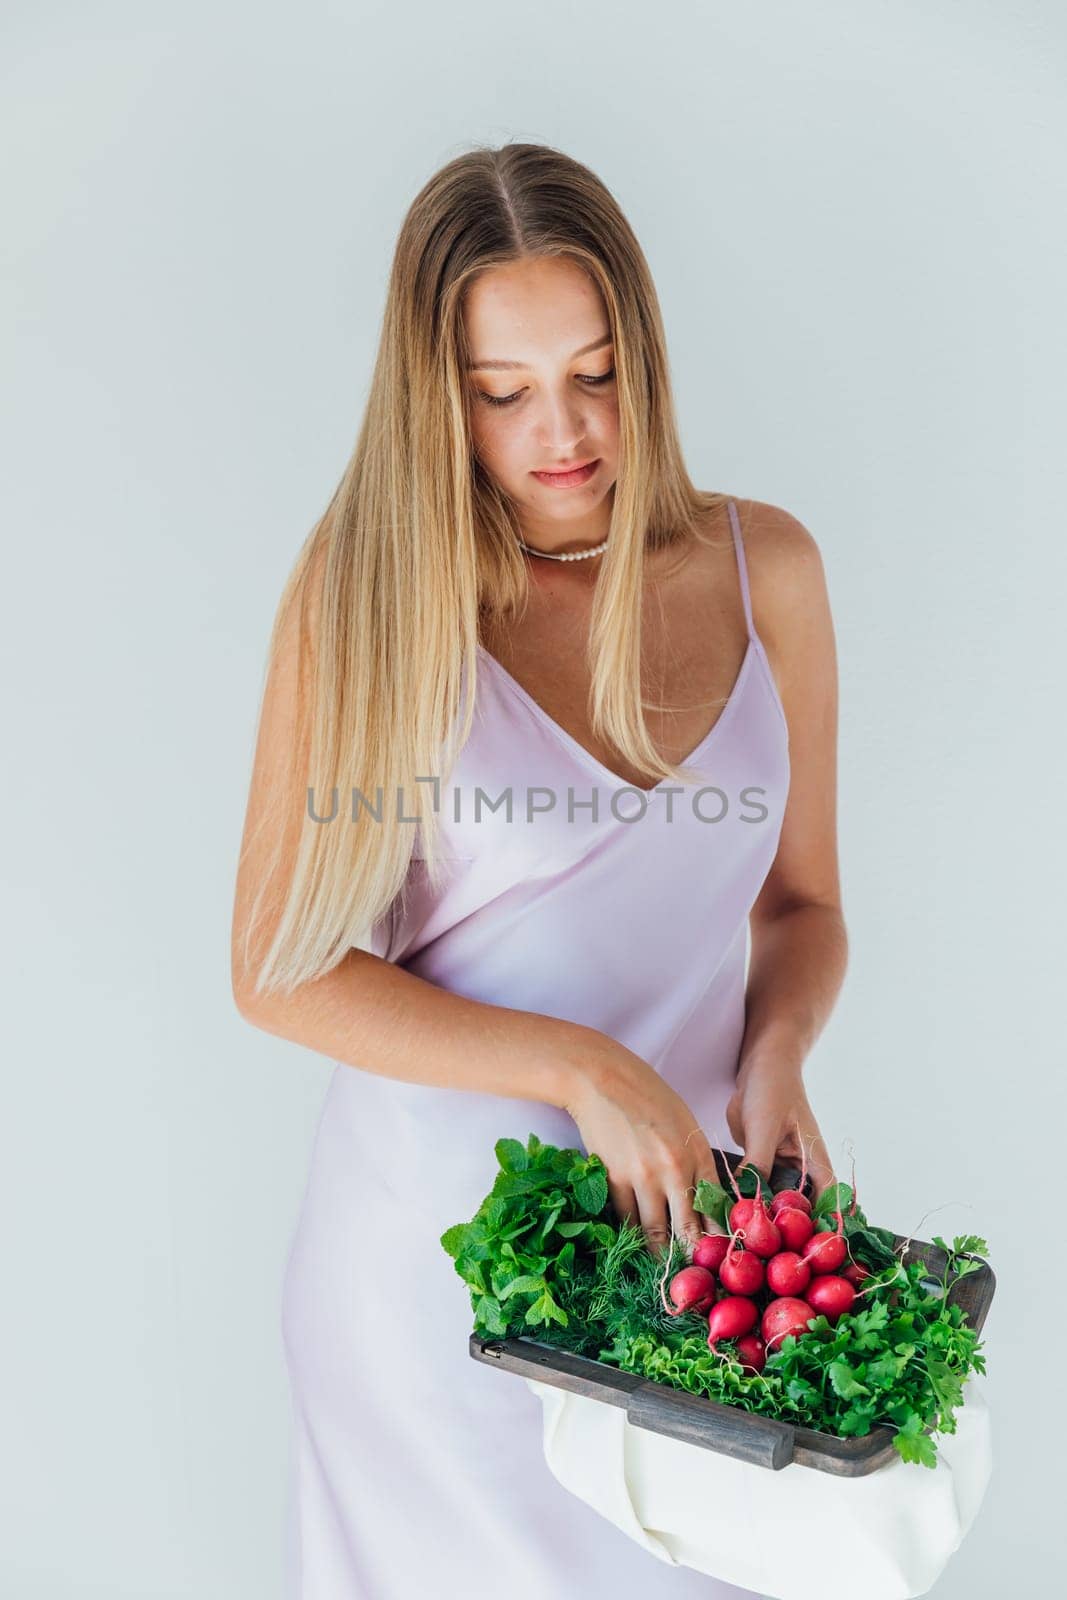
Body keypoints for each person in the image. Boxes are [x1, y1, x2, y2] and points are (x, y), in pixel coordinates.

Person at [231, 141, 847, 1600]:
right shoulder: (371, 597)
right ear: (434, 395)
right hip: (447, 1283)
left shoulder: (772, 574)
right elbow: (277, 967)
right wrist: (583, 1066)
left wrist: (775, 1057)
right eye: (500, 393)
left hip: (695, 1270)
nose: (560, 432)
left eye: (596, 371)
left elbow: (803, 905)